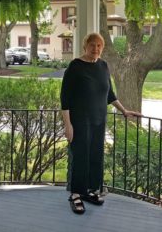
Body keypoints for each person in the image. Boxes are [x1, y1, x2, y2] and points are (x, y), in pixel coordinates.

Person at [60, 32, 142, 214]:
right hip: (79, 122)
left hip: (99, 121)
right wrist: (68, 125)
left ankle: (90, 190)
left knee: (96, 156)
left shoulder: (103, 66)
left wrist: (124, 111)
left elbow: (110, 95)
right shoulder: (75, 67)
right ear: (85, 46)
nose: (95, 49)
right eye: (92, 45)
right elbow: (65, 99)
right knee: (80, 156)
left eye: (99, 46)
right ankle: (75, 194)